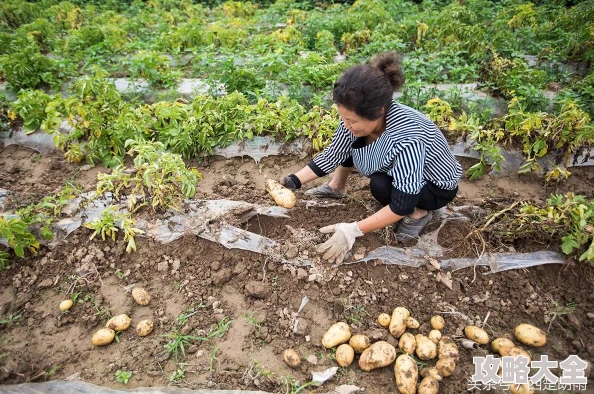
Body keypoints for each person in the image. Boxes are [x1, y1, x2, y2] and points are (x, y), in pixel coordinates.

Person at [280, 52, 462, 264]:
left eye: (352, 120)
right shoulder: (358, 123)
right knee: (352, 144)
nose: (346, 125)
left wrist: (353, 230)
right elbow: (333, 154)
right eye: (343, 118)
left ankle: (420, 213)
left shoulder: (406, 138)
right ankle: (337, 186)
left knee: (380, 186)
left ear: (379, 111)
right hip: (402, 168)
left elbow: (402, 203)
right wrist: (293, 181)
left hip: (434, 186)